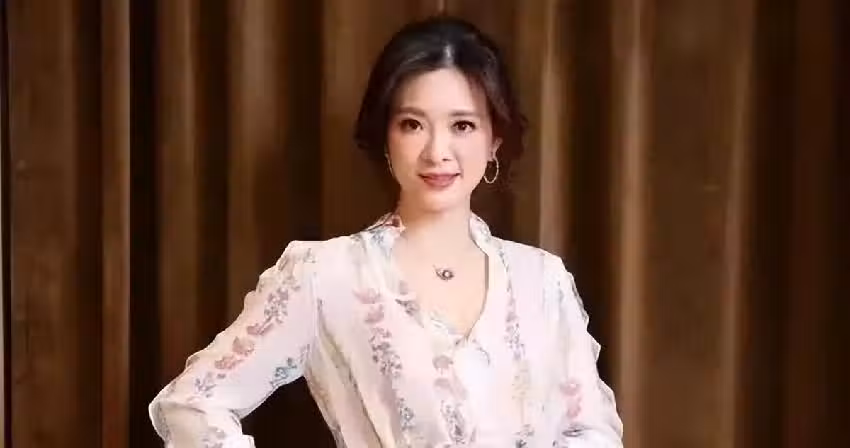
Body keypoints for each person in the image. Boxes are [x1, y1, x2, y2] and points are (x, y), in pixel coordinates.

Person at [149, 15, 623, 447]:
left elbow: (591, 433)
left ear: (494, 140)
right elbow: (191, 404)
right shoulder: (326, 276)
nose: (437, 151)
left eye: (462, 125)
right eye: (413, 124)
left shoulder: (542, 281)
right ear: (386, 138)